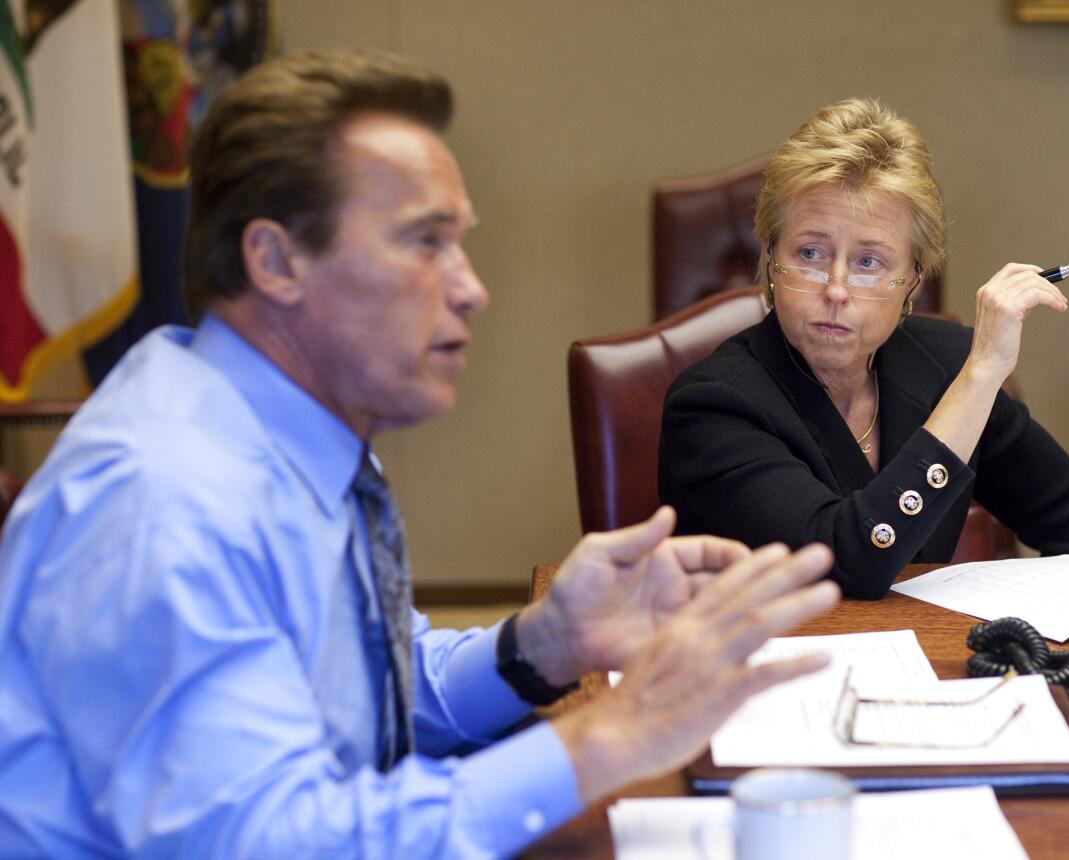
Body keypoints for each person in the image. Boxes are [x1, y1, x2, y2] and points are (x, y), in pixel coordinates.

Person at [0, 50, 841, 857]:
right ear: (276, 259)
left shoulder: (288, 435)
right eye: (424, 242)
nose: (472, 288)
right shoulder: (166, 503)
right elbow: (271, 845)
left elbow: (369, 695)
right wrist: (617, 731)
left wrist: (546, 644)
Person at [659, 98, 1069, 600]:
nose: (835, 288)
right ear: (771, 259)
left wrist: (1043, 642)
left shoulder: (943, 366)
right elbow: (849, 563)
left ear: (912, 283)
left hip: (923, 667)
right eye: (810, 253)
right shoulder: (712, 405)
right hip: (763, 669)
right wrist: (981, 377)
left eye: (869, 261)